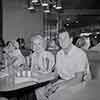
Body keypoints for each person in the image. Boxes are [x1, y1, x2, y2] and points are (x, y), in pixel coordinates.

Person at [47, 28, 91, 100]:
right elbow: (56, 73)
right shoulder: (59, 54)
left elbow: (78, 79)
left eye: (65, 38)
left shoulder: (80, 54)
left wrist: (58, 86)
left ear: (71, 39)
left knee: (56, 95)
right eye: (60, 39)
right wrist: (48, 83)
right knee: (40, 90)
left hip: (80, 84)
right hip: (64, 81)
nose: (62, 41)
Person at [26, 35, 55, 100]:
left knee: (41, 93)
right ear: (32, 46)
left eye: (39, 44)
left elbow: (48, 71)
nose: (37, 46)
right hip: (36, 81)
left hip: (47, 81)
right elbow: (32, 69)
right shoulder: (33, 55)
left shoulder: (48, 55)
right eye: (35, 44)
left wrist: (37, 71)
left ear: (43, 44)